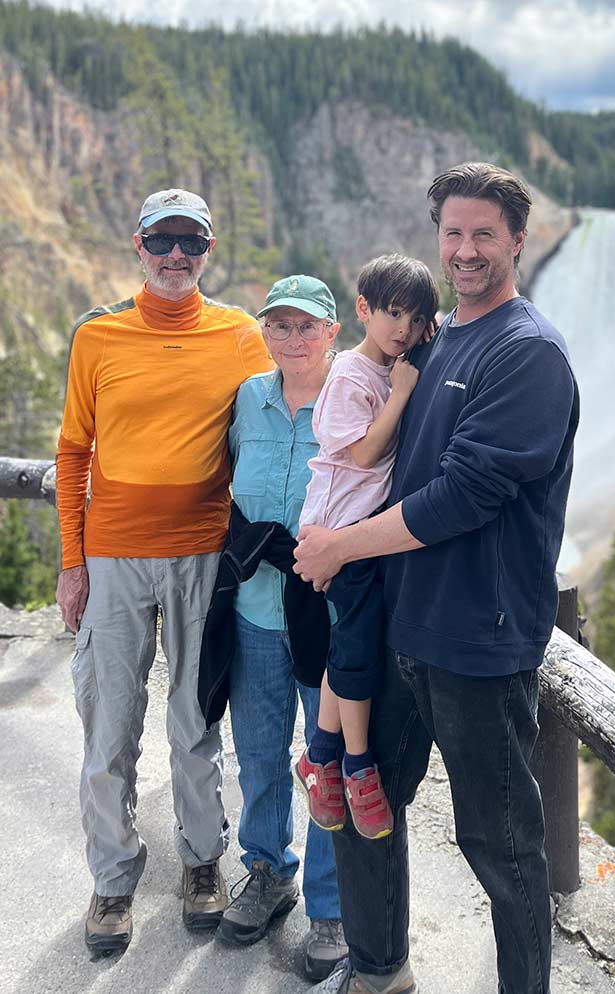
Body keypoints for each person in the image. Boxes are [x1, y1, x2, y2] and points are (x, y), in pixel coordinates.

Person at [295, 162, 580, 994]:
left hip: (478, 641)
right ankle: (379, 969)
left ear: (518, 241)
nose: (465, 250)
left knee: (503, 847)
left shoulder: (528, 353)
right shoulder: (434, 338)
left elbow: (462, 495)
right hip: (399, 623)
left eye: (484, 233)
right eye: (453, 232)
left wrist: (342, 547)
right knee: (365, 800)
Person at [55, 188, 273, 953]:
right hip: (113, 556)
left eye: (191, 241)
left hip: (201, 555)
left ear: (209, 249)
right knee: (108, 721)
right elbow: (73, 451)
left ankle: (202, 861)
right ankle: (114, 876)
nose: (176, 255)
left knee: (195, 717)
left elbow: (282, 420)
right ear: (139, 245)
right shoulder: (98, 336)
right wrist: (72, 563)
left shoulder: (241, 336)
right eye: (162, 240)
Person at [216, 275, 348, 981]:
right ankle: (268, 871)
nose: (293, 339)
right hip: (256, 609)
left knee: (329, 760)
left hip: (329, 612)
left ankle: (332, 907)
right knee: (260, 750)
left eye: (307, 326)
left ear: (332, 331)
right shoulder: (248, 398)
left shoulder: (356, 399)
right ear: (264, 332)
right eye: (280, 325)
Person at [293, 256, 438, 842]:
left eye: (416, 318)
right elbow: (364, 454)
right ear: (363, 310)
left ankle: (319, 756)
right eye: (393, 313)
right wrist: (401, 394)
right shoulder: (353, 376)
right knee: (355, 649)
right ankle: (355, 765)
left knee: (350, 642)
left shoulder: (387, 366)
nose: (403, 328)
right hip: (340, 530)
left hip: (361, 530)